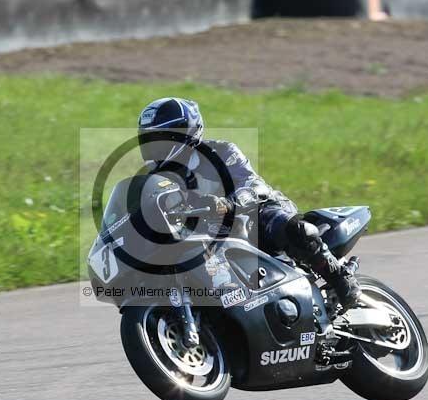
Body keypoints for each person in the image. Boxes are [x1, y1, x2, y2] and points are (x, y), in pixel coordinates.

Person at [137, 97, 361, 308]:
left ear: (186, 134)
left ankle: (339, 276)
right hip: (208, 233)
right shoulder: (154, 177)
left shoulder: (222, 152)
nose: (154, 146)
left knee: (291, 226)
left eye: (161, 138)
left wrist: (228, 203)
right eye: (148, 139)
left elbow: (254, 185)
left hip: (251, 215)